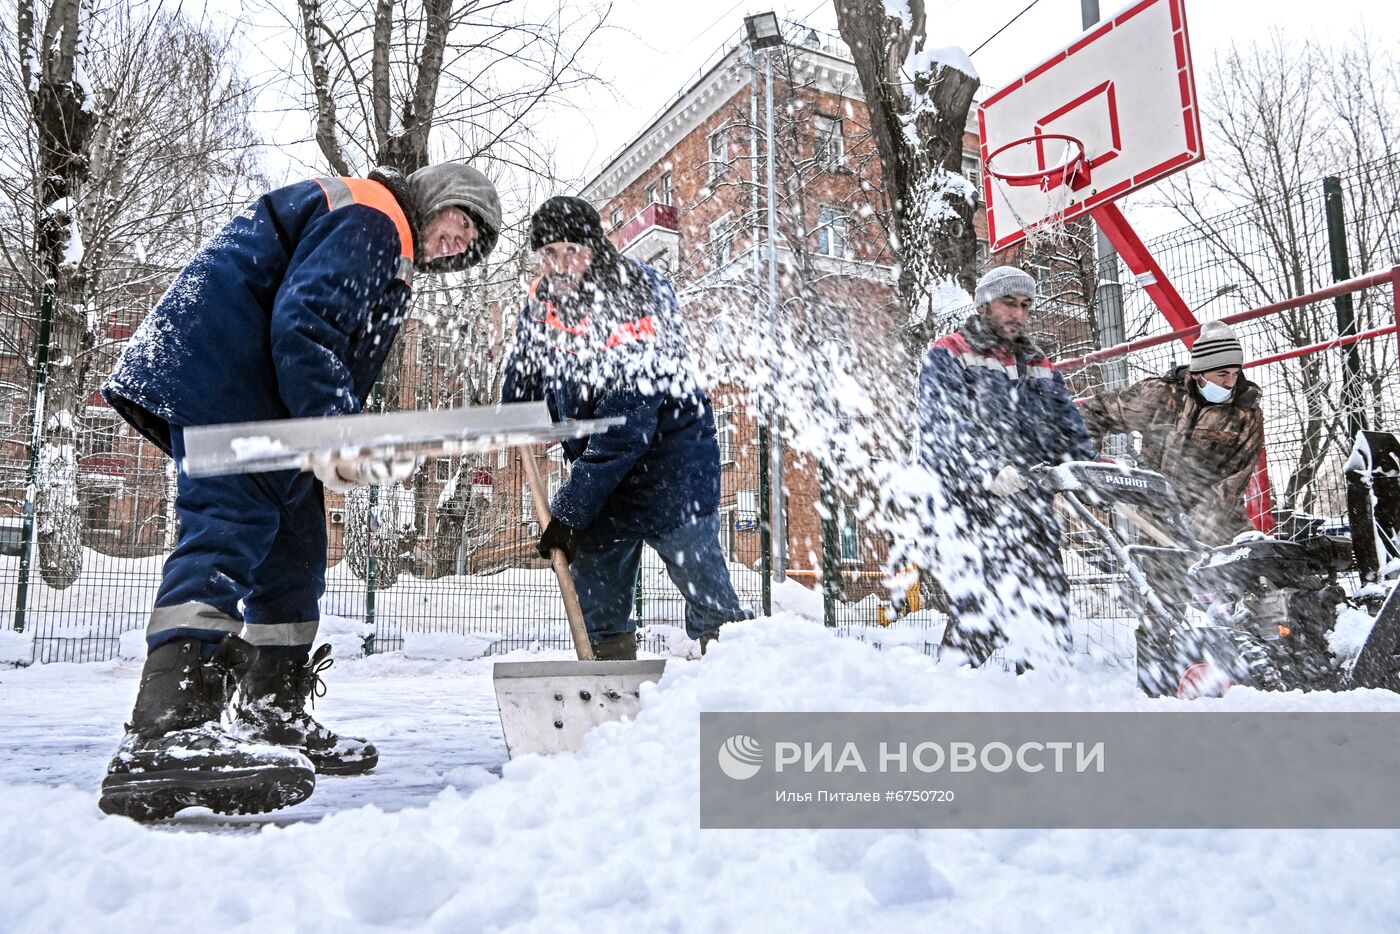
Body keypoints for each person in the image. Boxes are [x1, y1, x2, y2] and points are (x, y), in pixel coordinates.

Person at [98, 162, 502, 820]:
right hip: (226, 376)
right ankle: (163, 736)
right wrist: (335, 430)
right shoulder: (375, 218)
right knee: (229, 527)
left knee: (295, 548)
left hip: (264, 397)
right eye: (462, 224)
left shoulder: (382, 238)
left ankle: (270, 716)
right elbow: (305, 324)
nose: (458, 244)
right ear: (438, 200)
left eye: (470, 245)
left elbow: (316, 335)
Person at [502, 196, 749, 660]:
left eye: (570, 251)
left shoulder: (638, 292)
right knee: (599, 613)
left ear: (594, 248)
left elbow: (626, 424)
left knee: (709, 600)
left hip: (670, 468)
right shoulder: (542, 304)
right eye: (548, 254)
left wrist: (571, 510)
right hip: (602, 480)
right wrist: (515, 413)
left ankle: (737, 684)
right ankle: (612, 704)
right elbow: (522, 382)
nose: (560, 265)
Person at [918, 265, 1095, 669]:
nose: (1018, 314)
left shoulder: (1038, 362)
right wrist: (987, 469)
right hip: (970, 505)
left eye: (1025, 305)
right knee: (983, 610)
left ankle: (1041, 697)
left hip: (1030, 502)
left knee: (1045, 605)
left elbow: (1066, 424)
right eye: (1008, 303)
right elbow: (942, 425)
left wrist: (1090, 469)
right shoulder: (950, 352)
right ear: (983, 305)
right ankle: (955, 695)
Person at [1079, 320, 1264, 545]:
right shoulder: (1160, 396)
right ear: (1198, 373)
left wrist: (1192, 528)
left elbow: (1232, 483)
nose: (1230, 382)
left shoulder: (1245, 414)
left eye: (1235, 374)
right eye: (1222, 373)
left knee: (1236, 575)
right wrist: (1086, 460)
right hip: (1157, 526)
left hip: (1219, 527)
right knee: (1159, 578)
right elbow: (1097, 412)